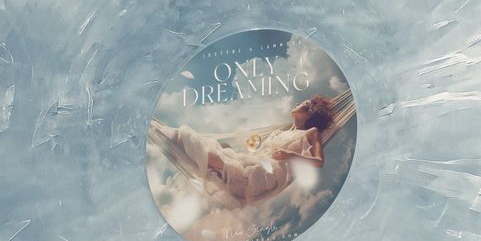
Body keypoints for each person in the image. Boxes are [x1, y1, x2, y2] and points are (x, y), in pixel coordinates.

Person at [147, 94, 343, 207]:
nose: (296, 103)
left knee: (201, 150)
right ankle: (157, 131)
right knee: (211, 152)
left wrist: (290, 155)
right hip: (254, 165)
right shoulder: (280, 132)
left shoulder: (311, 132)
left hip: (264, 176)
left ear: (309, 112)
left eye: (302, 103)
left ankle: (157, 131)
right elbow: (257, 152)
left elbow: (319, 161)